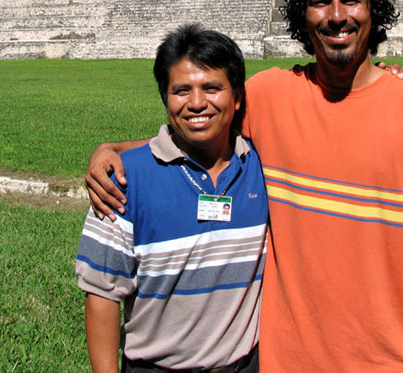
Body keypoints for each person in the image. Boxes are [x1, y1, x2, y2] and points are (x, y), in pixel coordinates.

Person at [86, 0, 403, 372]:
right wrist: (114, 150)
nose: (336, 16)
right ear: (302, 19)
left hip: (395, 360)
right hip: (288, 359)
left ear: (374, 12)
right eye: (320, 2)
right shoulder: (271, 95)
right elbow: (204, 127)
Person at [75, 24, 266, 372]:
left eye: (212, 88)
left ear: (237, 97)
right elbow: (102, 295)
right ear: (165, 97)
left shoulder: (262, 166)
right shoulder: (120, 181)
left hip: (246, 364)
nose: (197, 103)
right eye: (181, 90)